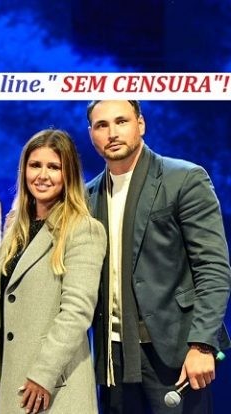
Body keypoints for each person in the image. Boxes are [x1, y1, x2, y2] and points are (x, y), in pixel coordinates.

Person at [86, 100, 231, 414]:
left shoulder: (184, 178)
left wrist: (202, 344)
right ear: (91, 134)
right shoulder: (88, 195)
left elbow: (213, 268)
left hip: (175, 350)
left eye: (121, 121)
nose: (112, 133)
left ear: (141, 124)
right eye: (101, 125)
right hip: (113, 356)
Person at [0, 129, 106, 414]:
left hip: (51, 387)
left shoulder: (83, 229)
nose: (43, 175)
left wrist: (43, 374)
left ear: (69, 174)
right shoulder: (15, 228)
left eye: (54, 167)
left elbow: (77, 311)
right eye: (35, 165)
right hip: (12, 382)